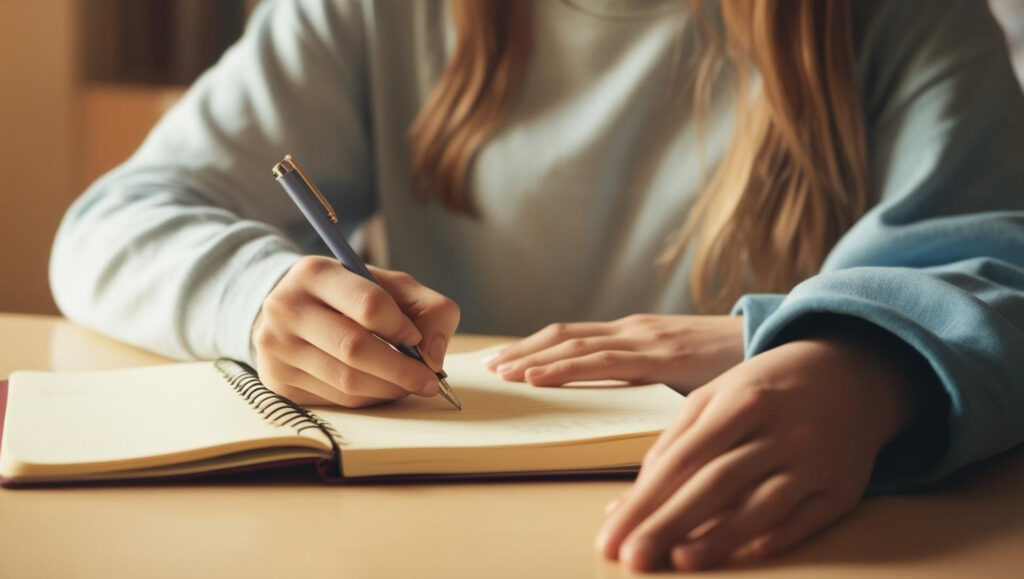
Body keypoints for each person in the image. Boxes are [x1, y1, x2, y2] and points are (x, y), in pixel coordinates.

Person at [51, 0, 1024, 572]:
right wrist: (254, 295)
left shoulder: (906, 18)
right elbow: (113, 223)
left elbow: (1002, 257)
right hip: (440, 548)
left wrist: (858, 364)